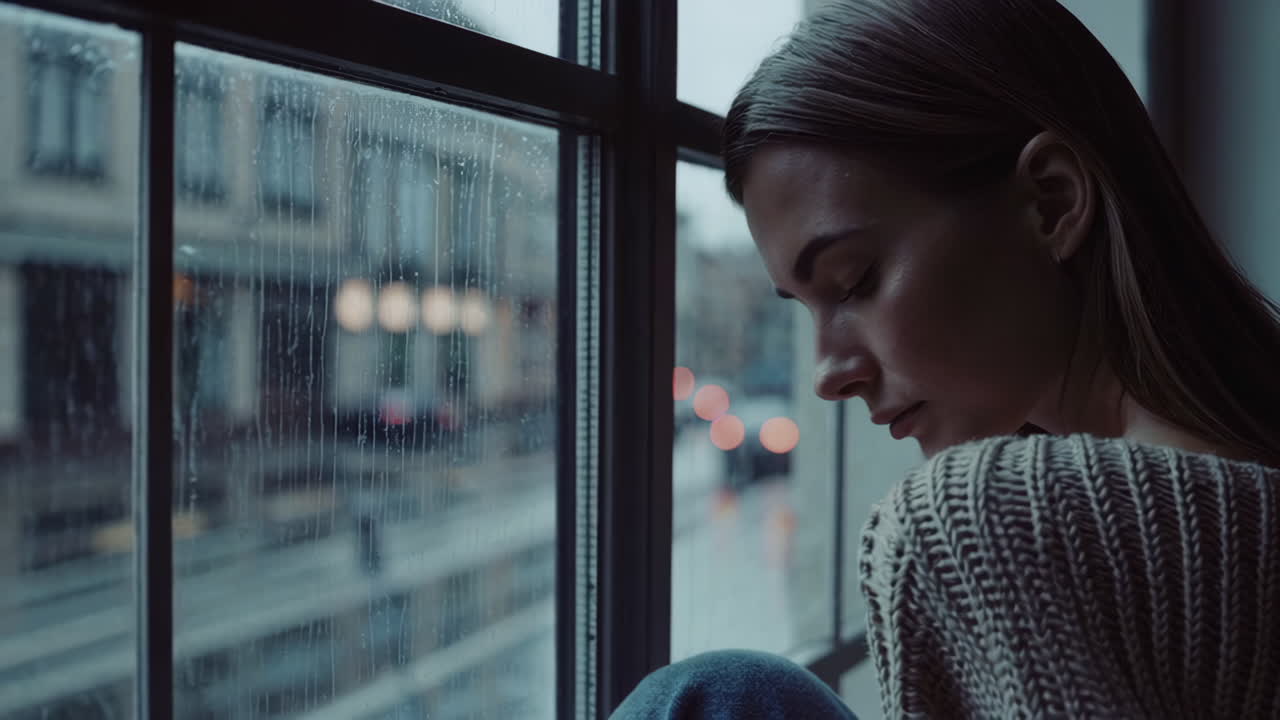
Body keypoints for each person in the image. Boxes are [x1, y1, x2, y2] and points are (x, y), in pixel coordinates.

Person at [612, 0, 1280, 717]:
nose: (828, 374)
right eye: (804, 308)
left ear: (1052, 202)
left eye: (854, 282)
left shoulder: (989, 515)